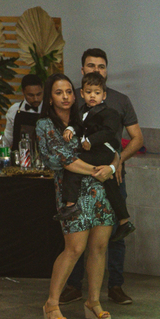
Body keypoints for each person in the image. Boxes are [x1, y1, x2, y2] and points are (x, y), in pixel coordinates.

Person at [61, 49, 142, 307]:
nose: (96, 70)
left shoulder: (120, 100)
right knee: (77, 232)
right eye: (91, 66)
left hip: (111, 174)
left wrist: (116, 162)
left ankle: (115, 286)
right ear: (82, 70)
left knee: (114, 232)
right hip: (80, 171)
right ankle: (74, 286)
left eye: (101, 66)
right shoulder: (72, 98)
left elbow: (137, 138)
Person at [37, 73, 116, 319]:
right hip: (72, 192)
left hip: (100, 190)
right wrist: (97, 171)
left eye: (69, 92)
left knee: (100, 246)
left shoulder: (86, 115)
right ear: (50, 98)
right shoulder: (45, 125)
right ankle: (51, 304)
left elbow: (111, 145)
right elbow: (65, 160)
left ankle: (93, 302)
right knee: (74, 248)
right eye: (59, 92)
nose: (65, 97)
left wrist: (112, 168)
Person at [53, 72, 133, 242]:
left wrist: (90, 140)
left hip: (103, 150)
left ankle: (70, 205)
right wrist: (71, 129)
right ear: (82, 93)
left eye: (97, 93)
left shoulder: (110, 112)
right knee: (111, 186)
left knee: (74, 166)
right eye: (89, 92)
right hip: (96, 151)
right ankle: (124, 221)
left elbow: (109, 132)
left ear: (104, 95)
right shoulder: (82, 111)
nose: (92, 96)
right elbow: (79, 125)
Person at [2, 73, 45, 149]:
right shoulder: (14, 110)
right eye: (31, 95)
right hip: (18, 155)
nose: (36, 99)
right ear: (23, 92)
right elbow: (7, 139)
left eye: (39, 94)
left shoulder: (49, 109)